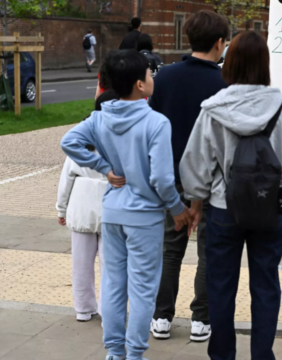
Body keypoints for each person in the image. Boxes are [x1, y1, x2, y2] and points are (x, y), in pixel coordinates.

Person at [179, 31, 282, 360]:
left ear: (232, 63)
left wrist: (196, 206)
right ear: (265, 64)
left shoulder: (213, 110)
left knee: (220, 286)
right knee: (266, 285)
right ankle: (262, 355)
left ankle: (223, 355)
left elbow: (196, 164)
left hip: (223, 210)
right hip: (271, 208)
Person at [61, 49, 192, 360]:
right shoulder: (157, 123)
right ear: (140, 84)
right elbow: (162, 179)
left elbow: (68, 141)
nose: (152, 78)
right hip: (144, 216)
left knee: (113, 284)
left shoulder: (99, 118)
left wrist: (103, 166)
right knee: (144, 288)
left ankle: (114, 352)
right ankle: (134, 353)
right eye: (149, 74)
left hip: (113, 212)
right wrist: (177, 209)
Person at [148, 9, 229, 342]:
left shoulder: (164, 78)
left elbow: (151, 128)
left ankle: (162, 317)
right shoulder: (224, 82)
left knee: (169, 248)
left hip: (171, 178)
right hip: (211, 179)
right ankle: (201, 320)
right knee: (209, 250)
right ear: (220, 43)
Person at [56, 123, 107, 323]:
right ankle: (108, 310)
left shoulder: (75, 154)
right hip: (109, 211)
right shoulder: (119, 149)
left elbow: (65, 183)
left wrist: (61, 209)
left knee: (81, 263)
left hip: (81, 209)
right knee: (110, 265)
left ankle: (83, 309)